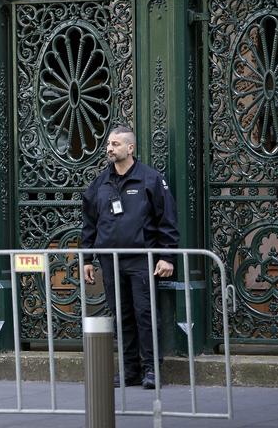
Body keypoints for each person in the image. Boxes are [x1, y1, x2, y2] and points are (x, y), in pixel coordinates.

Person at [81, 126, 179, 390]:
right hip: (110, 260)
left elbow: (166, 219)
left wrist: (166, 256)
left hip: (141, 259)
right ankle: (129, 370)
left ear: (130, 148)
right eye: (109, 145)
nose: (109, 149)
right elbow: (89, 222)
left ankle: (151, 370)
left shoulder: (150, 179)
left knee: (145, 314)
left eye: (115, 144)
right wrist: (87, 258)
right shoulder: (100, 183)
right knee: (121, 315)